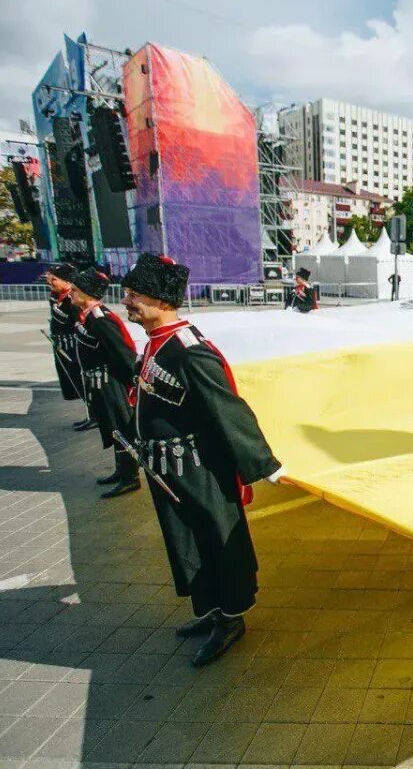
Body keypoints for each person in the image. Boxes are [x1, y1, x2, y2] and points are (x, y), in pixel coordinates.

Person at [120, 254, 287, 667]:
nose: (127, 302)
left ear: (160, 300)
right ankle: (209, 609)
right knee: (188, 543)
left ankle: (230, 619)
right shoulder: (157, 343)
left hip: (199, 471)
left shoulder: (189, 350)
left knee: (216, 542)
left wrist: (264, 464)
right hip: (168, 471)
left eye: (135, 295)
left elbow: (227, 408)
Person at [69, 268, 140, 499]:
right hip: (101, 383)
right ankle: (121, 471)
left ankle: (130, 477)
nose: (71, 294)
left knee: (120, 427)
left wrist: (131, 383)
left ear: (88, 293)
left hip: (111, 384)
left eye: (75, 290)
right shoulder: (88, 315)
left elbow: (123, 353)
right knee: (112, 427)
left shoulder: (101, 320)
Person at [45, 263, 92, 431]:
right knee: (72, 381)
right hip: (62, 345)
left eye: (54, 279)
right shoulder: (56, 296)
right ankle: (91, 413)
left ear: (67, 281)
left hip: (74, 347)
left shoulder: (74, 300)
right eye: (49, 279)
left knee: (81, 381)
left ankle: (94, 415)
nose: (50, 282)